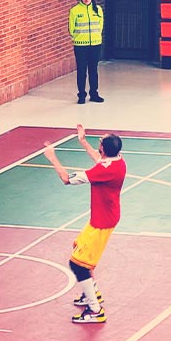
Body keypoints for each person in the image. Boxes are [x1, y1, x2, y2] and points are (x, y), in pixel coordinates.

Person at [43, 125, 125, 323]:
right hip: (102, 218)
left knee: (77, 264)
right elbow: (99, 160)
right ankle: (91, 292)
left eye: (99, 143)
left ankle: (96, 310)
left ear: (104, 149)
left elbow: (65, 179)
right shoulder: (118, 161)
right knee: (78, 249)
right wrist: (82, 141)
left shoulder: (102, 171)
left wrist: (52, 157)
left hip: (102, 223)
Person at [68, 0, 105, 104]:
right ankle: (81, 95)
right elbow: (71, 28)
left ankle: (94, 94)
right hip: (80, 46)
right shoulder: (74, 11)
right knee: (81, 70)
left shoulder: (98, 10)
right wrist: (79, 38)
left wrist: (96, 37)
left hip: (95, 44)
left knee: (93, 70)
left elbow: (100, 26)